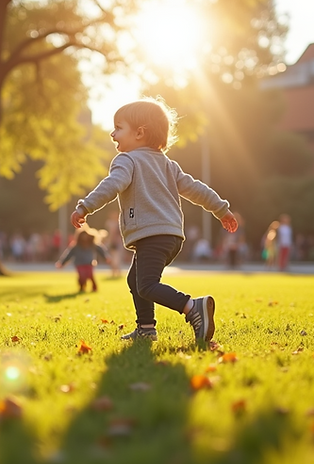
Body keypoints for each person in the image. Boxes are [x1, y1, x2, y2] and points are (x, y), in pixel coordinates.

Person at [70, 97, 239, 343]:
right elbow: (195, 189)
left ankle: (192, 307)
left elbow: (112, 185)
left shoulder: (127, 160)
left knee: (146, 285)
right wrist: (221, 209)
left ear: (139, 133)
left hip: (152, 235)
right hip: (171, 236)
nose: (112, 133)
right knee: (135, 280)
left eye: (118, 127)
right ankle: (146, 328)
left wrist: (85, 206)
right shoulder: (169, 165)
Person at [56, 227, 110, 292]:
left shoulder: (92, 244)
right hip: (79, 264)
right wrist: (62, 263)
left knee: (90, 275)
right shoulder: (76, 246)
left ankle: (94, 287)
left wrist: (106, 257)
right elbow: (68, 255)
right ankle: (82, 287)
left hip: (89, 263)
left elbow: (100, 250)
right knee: (81, 276)